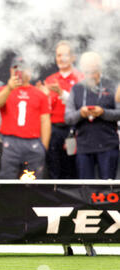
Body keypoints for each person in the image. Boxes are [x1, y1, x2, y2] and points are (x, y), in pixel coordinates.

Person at [0, 56, 51, 179]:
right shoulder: (3, 90)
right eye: (16, 68)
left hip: (33, 143)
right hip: (10, 142)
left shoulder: (39, 94)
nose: (19, 71)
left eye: (23, 68)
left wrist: (43, 146)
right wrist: (9, 88)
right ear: (11, 71)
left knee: (33, 181)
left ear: (29, 71)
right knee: (6, 180)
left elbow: (45, 121)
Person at [64, 51, 120, 179]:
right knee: (85, 187)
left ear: (100, 68)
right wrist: (81, 113)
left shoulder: (112, 85)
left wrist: (103, 112)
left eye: (94, 70)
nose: (91, 75)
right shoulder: (76, 88)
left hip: (108, 145)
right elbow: (68, 118)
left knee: (108, 188)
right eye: (87, 71)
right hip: (84, 146)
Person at [38, 41, 84, 179]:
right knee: (53, 167)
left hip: (74, 128)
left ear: (73, 57)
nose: (61, 59)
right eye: (58, 55)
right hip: (53, 129)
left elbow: (80, 104)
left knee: (72, 168)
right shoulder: (50, 79)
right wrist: (43, 95)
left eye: (65, 55)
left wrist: (61, 92)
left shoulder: (80, 79)